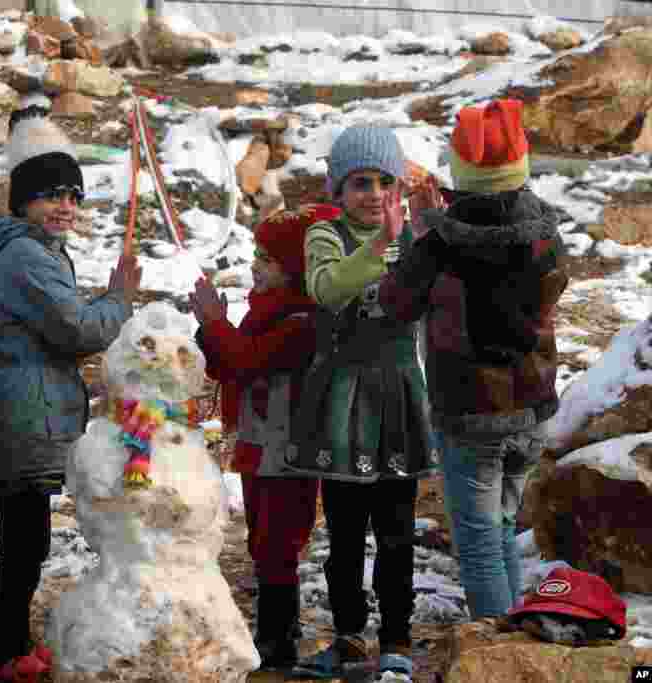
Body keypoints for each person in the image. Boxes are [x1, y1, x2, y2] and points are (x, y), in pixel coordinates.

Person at [0, 116, 142, 682]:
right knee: (24, 543)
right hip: (23, 415)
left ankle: (10, 644)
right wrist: (118, 299)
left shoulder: (32, 250)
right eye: (50, 196)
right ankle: (3, 654)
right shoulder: (26, 257)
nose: (65, 206)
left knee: (27, 539)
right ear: (23, 203)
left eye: (72, 195)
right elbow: (77, 330)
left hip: (25, 408)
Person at [377, 99, 568, 619]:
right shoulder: (545, 237)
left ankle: (494, 655)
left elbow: (395, 304)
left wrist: (420, 231)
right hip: (534, 410)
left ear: (461, 176)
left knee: (480, 543)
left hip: (472, 416)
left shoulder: (439, 246)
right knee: (502, 526)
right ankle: (510, 636)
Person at [289, 125, 441, 680]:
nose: (374, 194)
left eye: (384, 182)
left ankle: (396, 637)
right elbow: (328, 288)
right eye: (360, 182)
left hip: (398, 396)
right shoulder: (325, 236)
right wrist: (383, 247)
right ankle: (350, 635)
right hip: (343, 400)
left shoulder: (414, 238)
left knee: (397, 529)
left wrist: (434, 228)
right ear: (339, 189)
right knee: (347, 532)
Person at [190, 203, 340, 671]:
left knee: (277, 543)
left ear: (295, 267)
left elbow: (249, 360)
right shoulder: (265, 312)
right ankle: (276, 630)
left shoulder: (302, 321)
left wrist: (216, 323)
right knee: (261, 537)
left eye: (268, 259)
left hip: (288, 452)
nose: (256, 266)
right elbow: (230, 361)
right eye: (255, 254)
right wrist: (212, 327)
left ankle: (277, 642)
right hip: (260, 445)